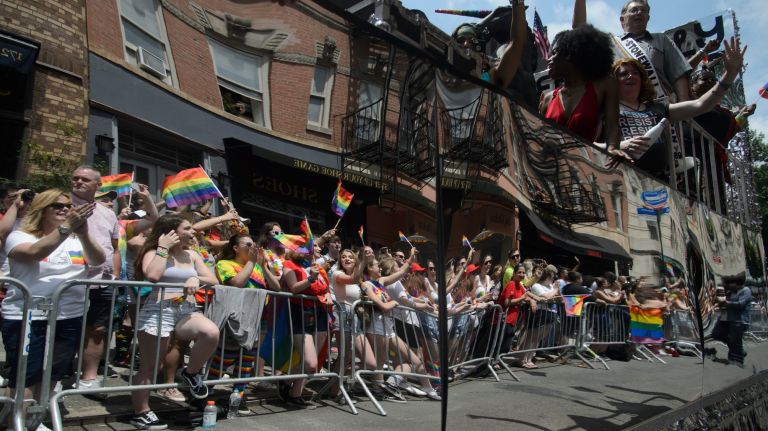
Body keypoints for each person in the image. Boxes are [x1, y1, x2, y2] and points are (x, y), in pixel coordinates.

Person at [1, 189, 104, 423]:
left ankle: (33, 421)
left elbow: (98, 261)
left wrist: (85, 233)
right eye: (57, 206)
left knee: (51, 374)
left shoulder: (76, 240)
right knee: (27, 375)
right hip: (28, 317)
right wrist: (66, 227)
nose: (65, 210)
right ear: (41, 209)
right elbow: (35, 253)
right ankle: (16, 423)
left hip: (69, 316)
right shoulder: (20, 236)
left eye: (68, 206)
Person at [607, 37, 746, 182]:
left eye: (636, 73)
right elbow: (585, 140)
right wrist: (619, 146)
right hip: (620, 179)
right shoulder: (606, 110)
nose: (631, 76)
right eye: (623, 74)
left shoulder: (658, 109)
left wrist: (730, 74)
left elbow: (701, 105)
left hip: (658, 185)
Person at [131, 214, 220, 430]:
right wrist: (163, 247)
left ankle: (190, 373)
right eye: (188, 228)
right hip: (157, 310)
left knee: (210, 332)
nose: (193, 232)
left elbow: (213, 279)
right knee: (150, 367)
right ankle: (141, 411)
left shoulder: (192, 254)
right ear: (171, 232)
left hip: (186, 310)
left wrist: (196, 279)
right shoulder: (152, 251)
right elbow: (152, 275)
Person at [207, 233, 279, 409]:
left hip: (257, 319)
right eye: (247, 244)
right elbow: (237, 283)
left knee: (247, 361)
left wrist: (263, 266)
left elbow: (277, 288)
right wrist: (252, 263)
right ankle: (205, 393)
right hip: (234, 319)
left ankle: (237, 397)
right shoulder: (225, 264)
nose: (252, 247)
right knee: (224, 358)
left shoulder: (257, 266)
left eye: (253, 244)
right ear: (235, 248)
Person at [573, 0, 692, 102]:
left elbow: (678, 73)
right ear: (622, 18)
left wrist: (684, 108)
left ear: (648, 18)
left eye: (643, 11)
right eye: (634, 10)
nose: (639, 12)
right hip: (624, 112)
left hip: (662, 111)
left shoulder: (661, 39)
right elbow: (580, 29)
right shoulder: (609, 42)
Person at [69, 166, 122, 390]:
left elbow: (115, 248)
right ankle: (58, 371)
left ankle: (89, 377)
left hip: (104, 280)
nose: (79, 182)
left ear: (97, 185)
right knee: (65, 326)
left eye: (85, 179)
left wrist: (116, 276)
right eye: (75, 178)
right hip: (72, 278)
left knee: (98, 330)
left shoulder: (108, 213)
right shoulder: (62, 204)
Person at [539, 25, 621, 157]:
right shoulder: (548, 98)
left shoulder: (605, 84)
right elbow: (539, 138)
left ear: (572, 54)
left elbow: (613, 126)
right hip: (549, 169)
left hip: (587, 171)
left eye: (554, 53)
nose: (549, 59)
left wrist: (613, 149)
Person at [280, 242, 332, 406]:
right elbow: (294, 288)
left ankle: (295, 394)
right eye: (313, 245)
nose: (317, 248)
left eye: (318, 246)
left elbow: (324, 289)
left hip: (320, 315)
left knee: (311, 363)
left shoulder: (318, 267)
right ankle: (285, 381)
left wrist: (329, 295)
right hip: (300, 313)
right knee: (311, 362)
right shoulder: (290, 264)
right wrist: (311, 278)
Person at [707, 274, 752, 367]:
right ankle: (739, 351)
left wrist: (727, 303)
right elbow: (721, 302)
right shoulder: (729, 291)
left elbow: (740, 304)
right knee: (717, 334)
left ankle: (737, 361)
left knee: (735, 340)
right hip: (728, 319)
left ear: (735, 283)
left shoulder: (745, 290)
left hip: (740, 320)